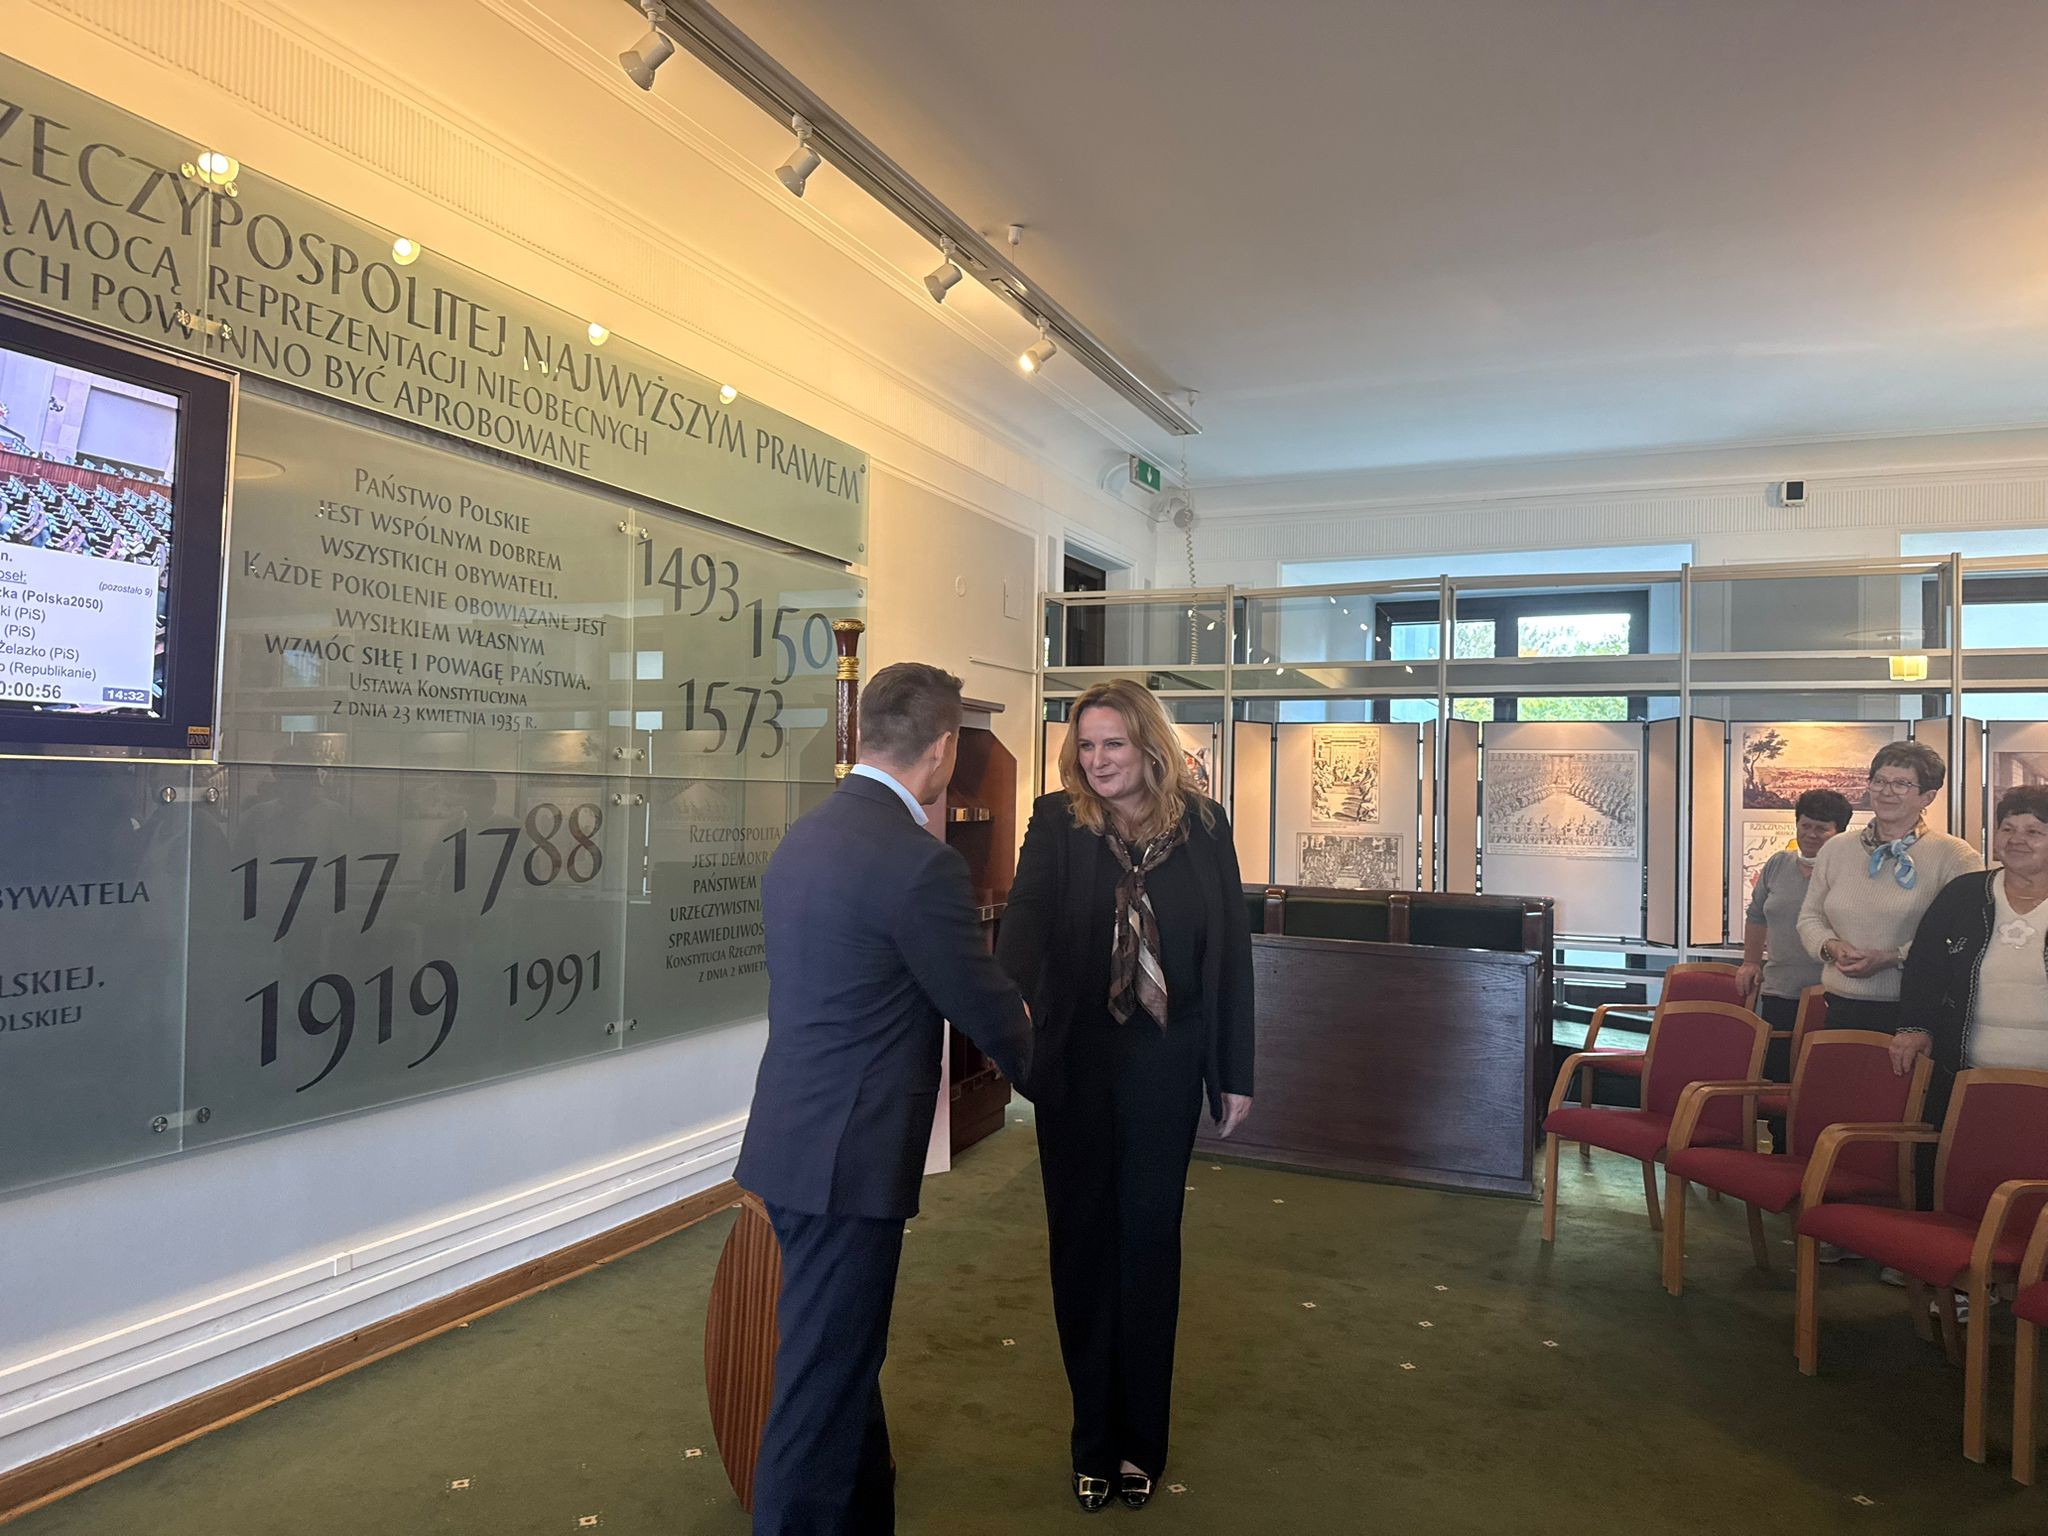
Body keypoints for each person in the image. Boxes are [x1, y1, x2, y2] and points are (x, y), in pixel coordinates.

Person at [733, 662, 1034, 1536]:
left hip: (792, 1141)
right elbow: (983, 1006)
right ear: (942, 750)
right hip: (850, 1159)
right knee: (820, 1391)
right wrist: (1064, 1086)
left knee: (842, 1359)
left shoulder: (803, 839)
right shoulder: (918, 865)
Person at [996, 679, 1254, 1514]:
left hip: (1165, 1061)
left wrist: (1234, 1070)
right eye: (1086, 745)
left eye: (1113, 743)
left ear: (1150, 747)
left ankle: (1143, 1440)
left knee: (1147, 1243)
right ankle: (1093, 1442)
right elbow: (1024, 923)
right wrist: (1006, 1012)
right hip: (1076, 1061)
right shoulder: (1057, 821)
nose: (1098, 760)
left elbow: (1229, 953)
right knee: (1081, 1245)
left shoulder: (1205, 827)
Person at [1797, 741, 1983, 1034]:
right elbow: (1810, 917)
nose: (1886, 792)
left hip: (1916, 1013)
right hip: (1839, 1005)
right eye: (1879, 781)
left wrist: (1893, 958)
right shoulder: (1836, 848)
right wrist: (1831, 946)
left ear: (1928, 796)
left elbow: (1964, 937)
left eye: (1901, 784)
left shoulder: (1955, 856)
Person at [1894, 784, 2048, 1081]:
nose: (2017, 840)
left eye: (2033, 832)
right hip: (1967, 1075)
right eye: (2007, 829)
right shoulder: (1963, 894)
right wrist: (1915, 1028)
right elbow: (1924, 967)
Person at [1736, 788, 1853, 1079]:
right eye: (1805, 825)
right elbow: (1757, 915)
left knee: (1822, 1078)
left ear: (1839, 832)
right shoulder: (1778, 864)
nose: (1811, 834)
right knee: (1776, 1075)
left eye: (1821, 828)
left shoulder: (1851, 872)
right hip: (1779, 989)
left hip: (1830, 993)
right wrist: (1750, 962)